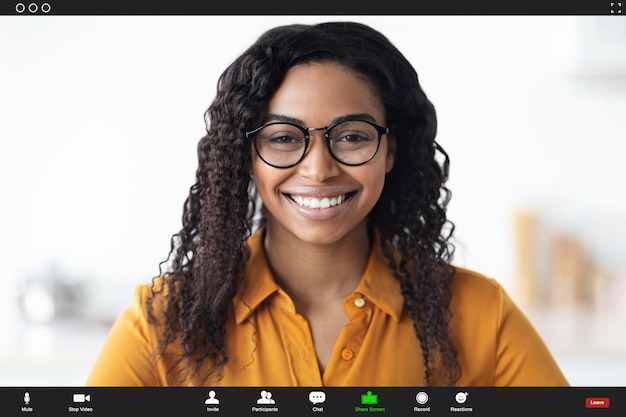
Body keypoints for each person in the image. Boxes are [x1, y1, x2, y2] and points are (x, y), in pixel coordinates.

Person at [86, 21, 568, 387]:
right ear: (246, 156)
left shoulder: (481, 314)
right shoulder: (162, 321)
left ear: (391, 149)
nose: (318, 169)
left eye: (353, 136)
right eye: (282, 138)